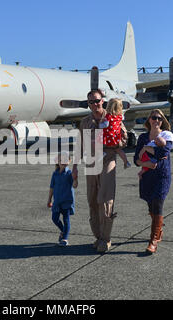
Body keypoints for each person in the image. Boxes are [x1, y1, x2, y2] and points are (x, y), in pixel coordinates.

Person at [72, 89, 120, 253]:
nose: (94, 104)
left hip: (107, 161)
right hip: (91, 163)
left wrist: (111, 141)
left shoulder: (112, 117)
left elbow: (124, 138)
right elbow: (79, 146)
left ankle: (106, 239)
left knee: (105, 199)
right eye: (91, 102)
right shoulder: (85, 122)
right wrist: (74, 167)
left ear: (103, 100)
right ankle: (98, 236)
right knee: (92, 200)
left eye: (97, 101)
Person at [134, 109, 173, 254]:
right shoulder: (142, 137)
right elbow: (136, 159)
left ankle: (153, 241)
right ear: (149, 120)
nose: (156, 120)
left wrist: (146, 148)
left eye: (159, 118)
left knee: (158, 204)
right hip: (147, 176)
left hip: (162, 175)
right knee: (151, 206)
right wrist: (146, 165)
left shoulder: (167, 135)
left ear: (162, 121)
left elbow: (163, 153)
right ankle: (159, 230)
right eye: (153, 118)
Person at [47, 152, 78, 246]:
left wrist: (75, 178)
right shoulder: (55, 174)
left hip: (67, 201)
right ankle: (63, 231)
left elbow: (75, 185)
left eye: (65, 160)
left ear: (69, 161)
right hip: (57, 201)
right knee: (54, 218)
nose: (63, 162)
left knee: (66, 219)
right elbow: (52, 187)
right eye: (61, 160)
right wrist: (49, 199)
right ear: (58, 161)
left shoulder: (69, 174)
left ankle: (65, 239)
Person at [98, 98, 131, 169]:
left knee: (101, 148)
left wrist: (100, 123)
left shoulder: (108, 117)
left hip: (108, 138)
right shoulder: (120, 117)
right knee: (119, 150)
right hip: (116, 138)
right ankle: (126, 162)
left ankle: (101, 156)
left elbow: (104, 125)